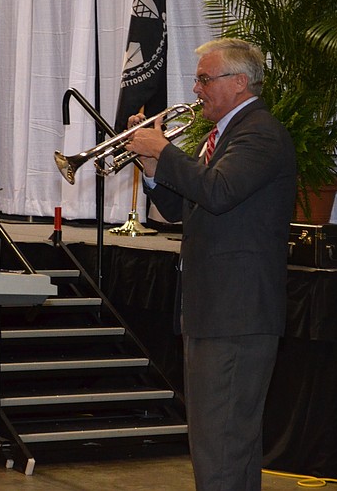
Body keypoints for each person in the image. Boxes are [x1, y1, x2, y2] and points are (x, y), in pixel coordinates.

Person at [127, 38, 296, 490]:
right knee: (223, 443)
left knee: (220, 444)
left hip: (235, 316)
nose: (196, 88)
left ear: (239, 82)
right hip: (215, 312)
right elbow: (182, 209)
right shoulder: (220, 137)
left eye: (205, 78)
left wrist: (166, 151)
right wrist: (150, 164)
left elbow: (219, 192)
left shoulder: (260, 133)